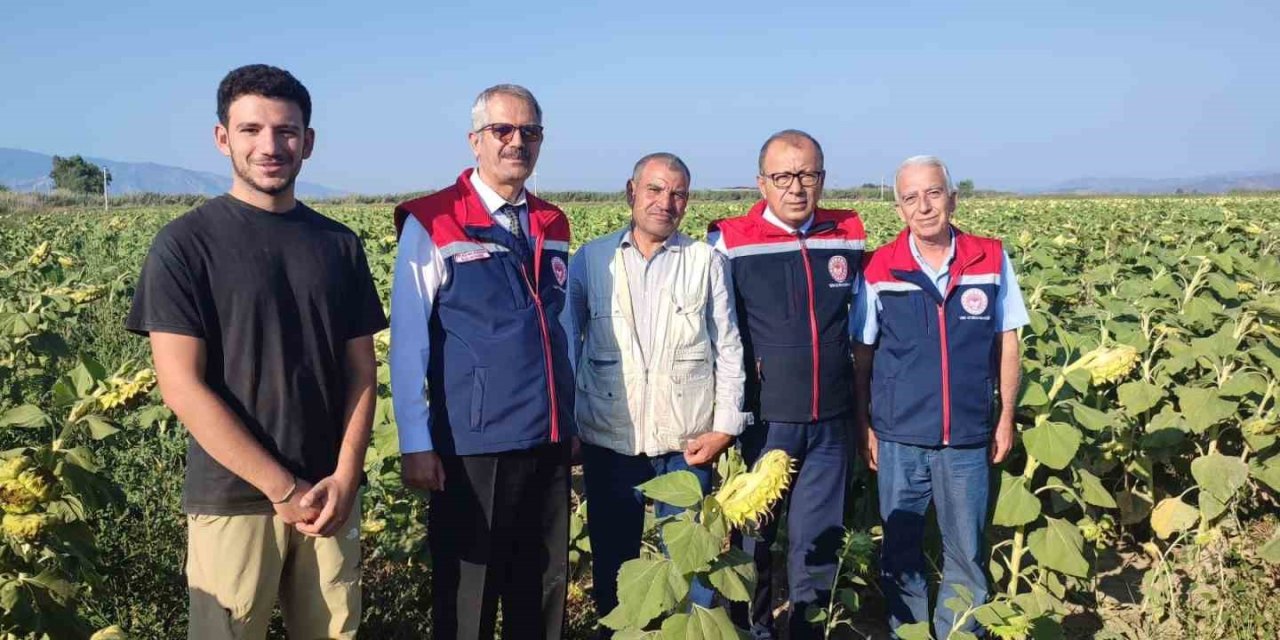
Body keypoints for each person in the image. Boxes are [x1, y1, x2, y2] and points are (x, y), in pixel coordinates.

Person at [127, 64, 385, 639]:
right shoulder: (185, 245)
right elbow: (181, 386)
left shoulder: (339, 245)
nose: (270, 146)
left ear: (308, 142)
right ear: (223, 138)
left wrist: (345, 476)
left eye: (286, 131)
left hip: (329, 497)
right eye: (250, 130)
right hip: (235, 496)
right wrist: (282, 488)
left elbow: (361, 372)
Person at [389, 83, 576, 640]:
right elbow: (408, 341)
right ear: (476, 140)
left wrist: (571, 419)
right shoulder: (434, 221)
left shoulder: (551, 221)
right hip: (473, 442)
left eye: (530, 132)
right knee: (469, 589)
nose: (517, 142)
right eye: (503, 130)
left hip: (545, 437)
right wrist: (415, 441)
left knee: (541, 586)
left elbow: (561, 329)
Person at [852, 155, 1028, 638]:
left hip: (967, 435)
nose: (924, 206)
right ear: (899, 208)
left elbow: (1007, 341)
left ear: (952, 197)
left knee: (966, 552)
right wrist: (864, 425)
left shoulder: (989, 258)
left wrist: (1006, 415)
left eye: (933, 193)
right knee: (901, 551)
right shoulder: (879, 268)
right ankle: (907, 632)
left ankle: (959, 633)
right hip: (899, 437)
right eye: (911, 197)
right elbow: (863, 354)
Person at [567, 152, 748, 623]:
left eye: (678, 193)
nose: (665, 202)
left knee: (695, 562)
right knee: (615, 562)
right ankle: (621, 631)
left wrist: (725, 427)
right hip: (610, 437)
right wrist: (569, 423)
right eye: (654, 189)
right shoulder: (592, 260)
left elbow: (728, 346)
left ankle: (692, 632)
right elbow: (569, 345)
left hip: (688, 440)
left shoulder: (705, 260)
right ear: (631, 193)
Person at [708, 130, 866, 640]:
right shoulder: (730, 240)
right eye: (783, 176)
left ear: (822, 177)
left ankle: (806, 630)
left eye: (808, 175)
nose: (796, 187)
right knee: (751, 535)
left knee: (817, 540)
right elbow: (715, 331)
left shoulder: (848, 234)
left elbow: (863, 327)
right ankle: (749, 629)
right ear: (762, 182)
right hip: (765, 419)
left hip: (830, 420)